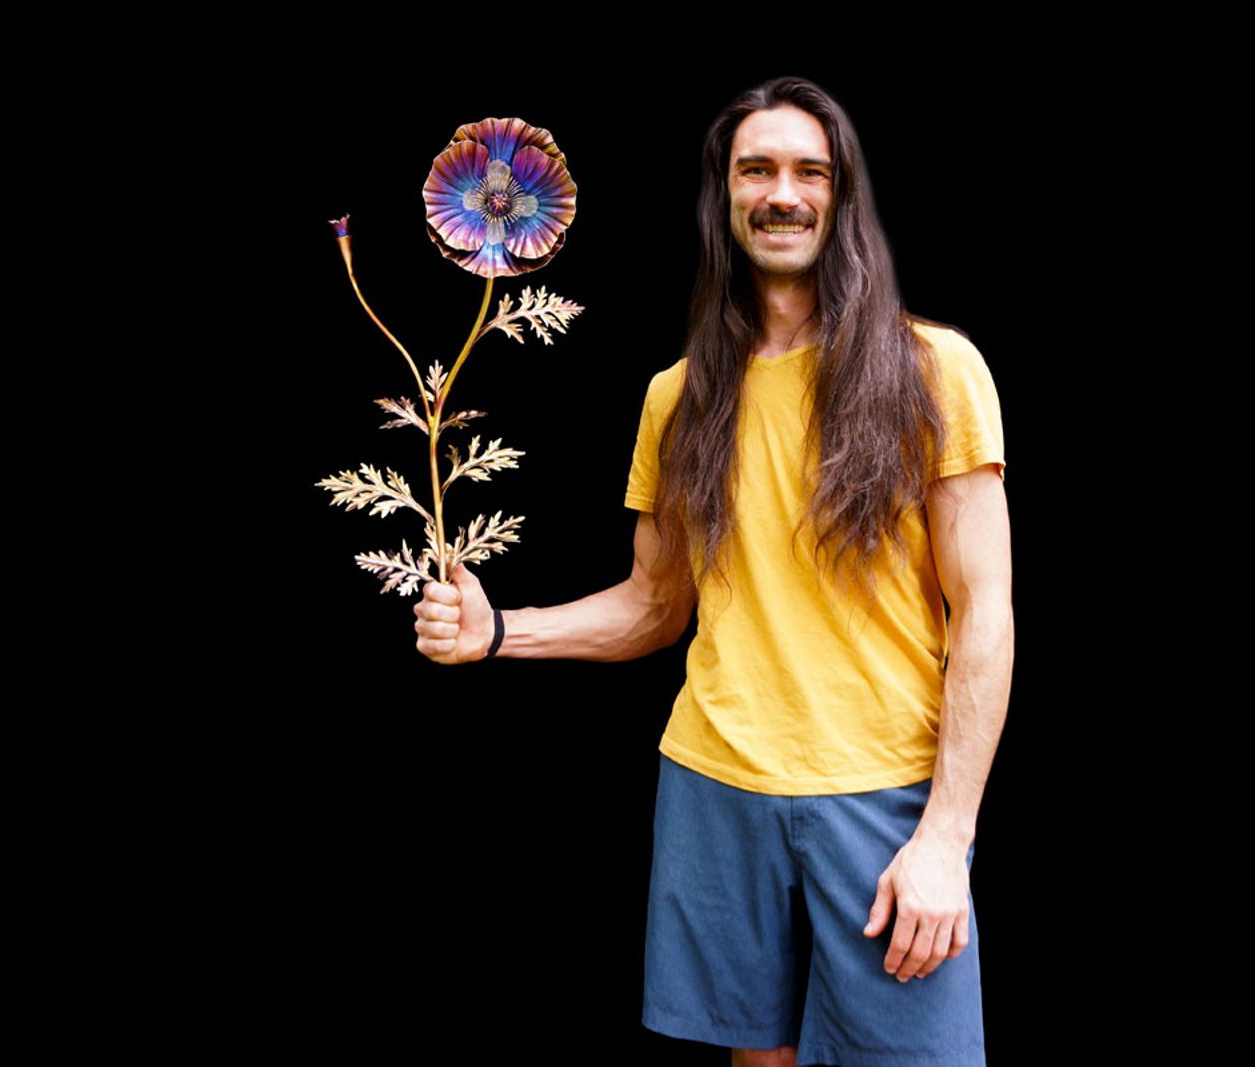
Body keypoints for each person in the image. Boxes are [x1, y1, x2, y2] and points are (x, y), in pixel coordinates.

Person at [413, 75, 1011, 1067]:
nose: (783, 192)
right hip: (714, 780)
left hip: (883, 793)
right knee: (755, 1059)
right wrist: (500, 630)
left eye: (808, 171)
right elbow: (655, 604)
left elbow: (984, 611)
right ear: (724, 197)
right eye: (757, 169)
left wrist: (946, 836)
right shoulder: (676, 396)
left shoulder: (934, 369)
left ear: (841, 195)